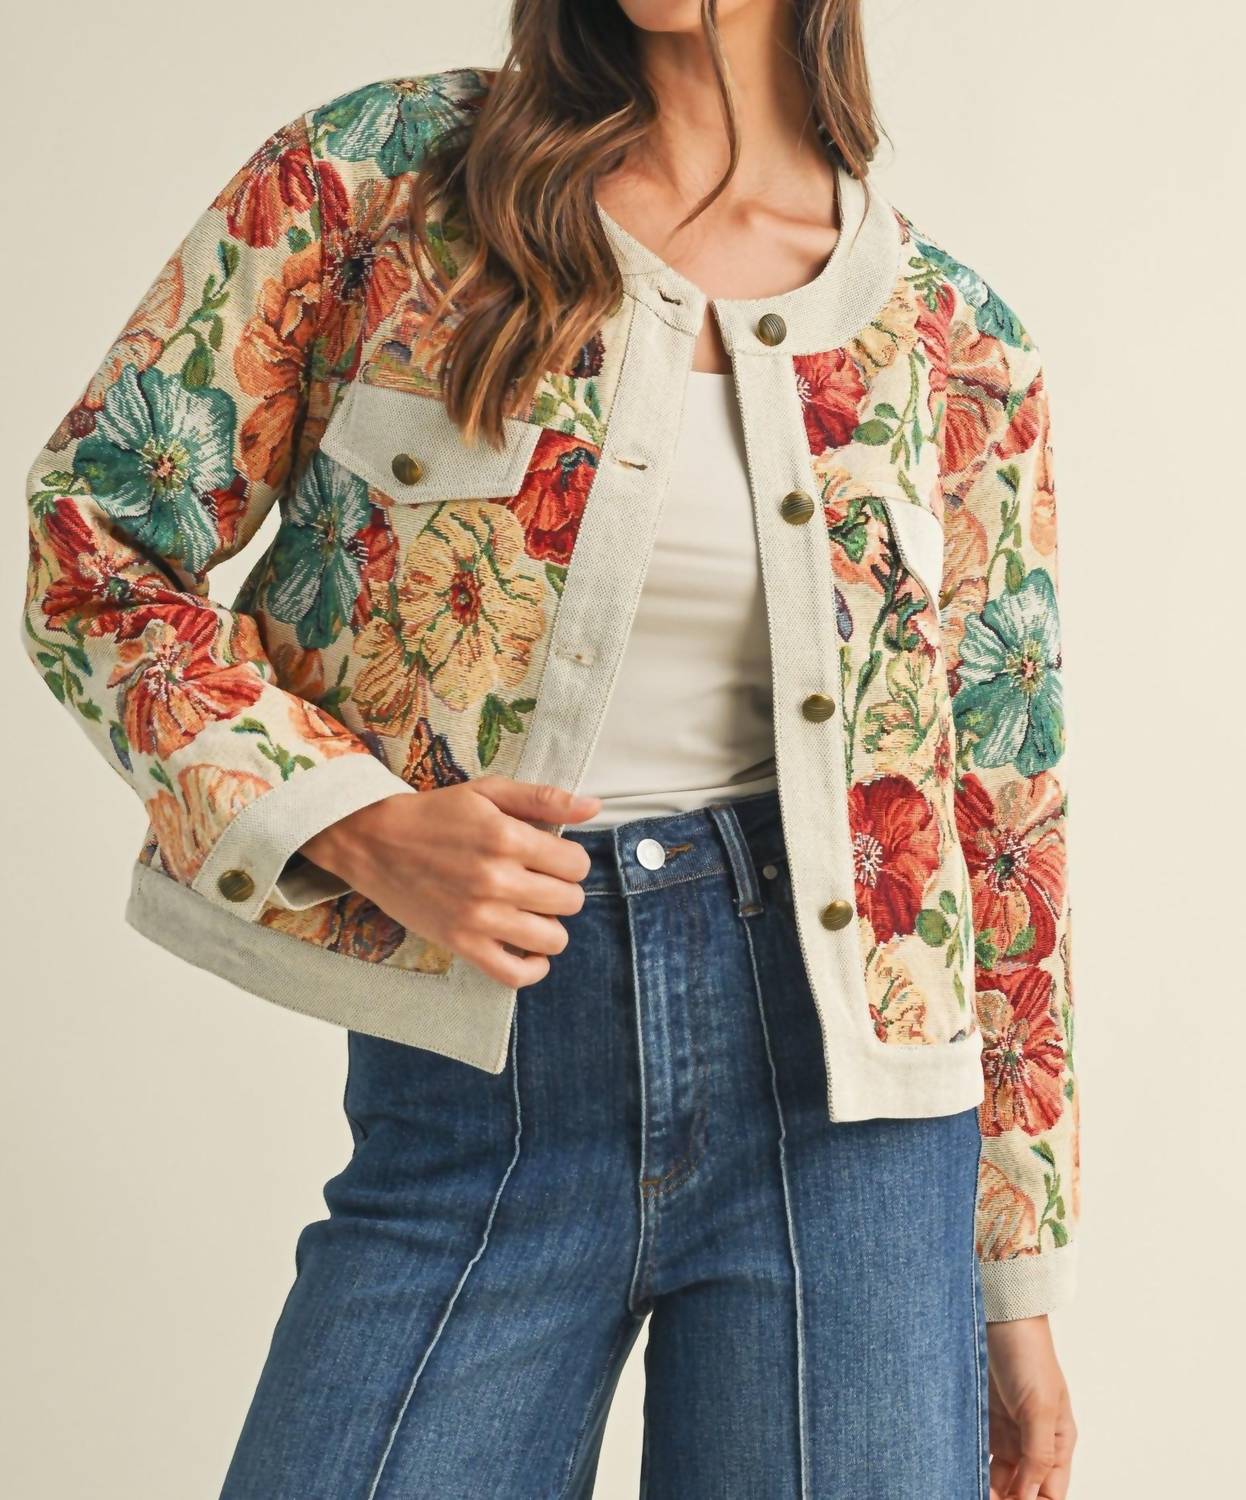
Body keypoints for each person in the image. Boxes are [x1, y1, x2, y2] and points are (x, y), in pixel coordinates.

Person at [19, 2, 1079, 1496]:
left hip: (853, 1138)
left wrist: (1014, 1288)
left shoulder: (954, 343)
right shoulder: (381, 181)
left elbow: (1002, 819)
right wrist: (354, 822)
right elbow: (94, 546)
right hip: (485, 1097)